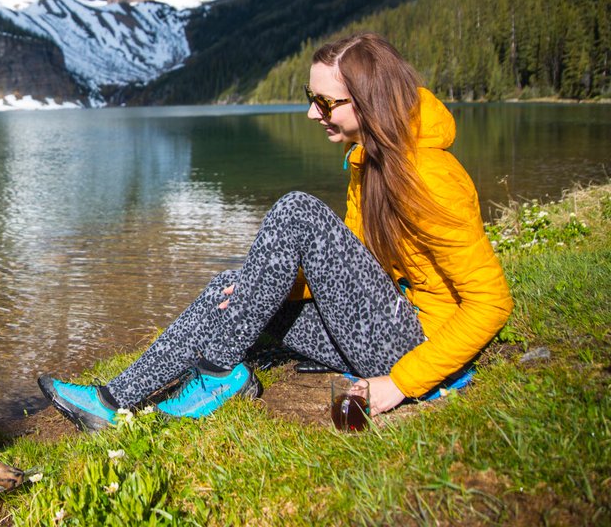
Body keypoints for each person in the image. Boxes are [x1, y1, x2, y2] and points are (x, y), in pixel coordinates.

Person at [39, 33, 514, 430]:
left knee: (298, 211)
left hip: (412, 347)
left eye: (325, 102)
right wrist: (265, 290)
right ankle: (111, 400)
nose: (313, 113)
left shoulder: (429, 176)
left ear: (368, 99)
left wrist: (400, 383)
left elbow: (491, 302)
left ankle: (220, 373)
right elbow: (358, 267)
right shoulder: (366, 160)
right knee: (233, 288)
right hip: (381, 327)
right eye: (312, 99)